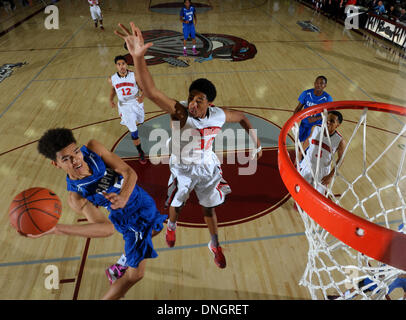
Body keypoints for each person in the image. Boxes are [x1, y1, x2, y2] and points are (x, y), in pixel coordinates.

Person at [114, 22, 263, 269]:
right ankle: (171, 227)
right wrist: (137, 58)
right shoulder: (181, 113)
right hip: (182, 167)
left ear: (210, 103)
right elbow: (150, 91)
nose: (193, 104)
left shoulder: (218, 115)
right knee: (177, 204)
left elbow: (244, 117)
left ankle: (214, 244)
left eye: (199, 100)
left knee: (209, 208)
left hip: (206, 164)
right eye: (191, 99)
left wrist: (256, 143)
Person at [35, 128, 167, 299]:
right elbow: (106, 229)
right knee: (135, 275)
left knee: (156, 228)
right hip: (131, 221)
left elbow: (129, 172)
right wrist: (57, 229)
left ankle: (119, 266)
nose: (76, 160)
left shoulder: (93, 148)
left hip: (142, 199)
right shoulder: (77, 195)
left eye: (75, 152)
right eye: (66, 159)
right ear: (56, 164)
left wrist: (123, 197)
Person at [109, 55, 147, 164]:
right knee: (133, 131)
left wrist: (141, 97)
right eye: (119, 64)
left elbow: (143, 88)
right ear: (116, 66)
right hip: (124, 106)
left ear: (127, 65)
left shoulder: (134, 76)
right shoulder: (112, 79)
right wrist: (111, 99)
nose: (121, 66)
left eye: (123, 64)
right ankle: (140, 152)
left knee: (141, 120)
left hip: (136, 103)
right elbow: (113, 90)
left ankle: (138, 123)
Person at [298, 111, 346, 195]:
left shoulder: (340, 140)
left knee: (316, 197)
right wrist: (300, 153)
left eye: (332, 121)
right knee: (300, 191)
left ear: (338, 125)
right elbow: (308, 140)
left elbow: (341, 159)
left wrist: (331, 175)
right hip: (307, 165)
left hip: (322, 172)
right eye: (327, 119)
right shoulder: (316, 128)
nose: (328, 122)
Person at [293, 76, 333, 142]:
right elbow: (298, 108)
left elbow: (330, 114)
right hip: (304, 122)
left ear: (325, 85)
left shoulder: (327, 98)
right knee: (298, 141)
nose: (318, 85)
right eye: (317, 83)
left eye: (321, 83)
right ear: (314, 83)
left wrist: (316, 118)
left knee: (309, 144)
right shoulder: (306, 93)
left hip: (316, 126)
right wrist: (294, 120)